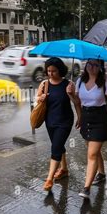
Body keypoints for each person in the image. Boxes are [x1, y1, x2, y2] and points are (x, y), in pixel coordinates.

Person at [73, 59, 107, 199]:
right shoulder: (79, 82)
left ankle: (86, 188)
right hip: (85, 118)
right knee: (93, 150)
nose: (92, 67)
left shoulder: (106, 84)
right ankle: (101, 173)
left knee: (92, 154)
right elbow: (77, 103)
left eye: (96, 65)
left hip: (100, 119)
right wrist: (71, 94)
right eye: (89, 64)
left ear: (101, 67)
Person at [37, 58, 81, 192]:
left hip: (65, 121)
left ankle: (49, 178)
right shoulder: (44, 84)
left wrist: (80, 116)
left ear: (60, 70)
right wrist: (41, 98)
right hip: (49, 121)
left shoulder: (69, 84)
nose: (50, 74)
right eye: (48, 71)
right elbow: (37, 99)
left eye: (54, 71)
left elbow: (77, 102)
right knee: (58, 145)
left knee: (55, 148)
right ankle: (64, 170)